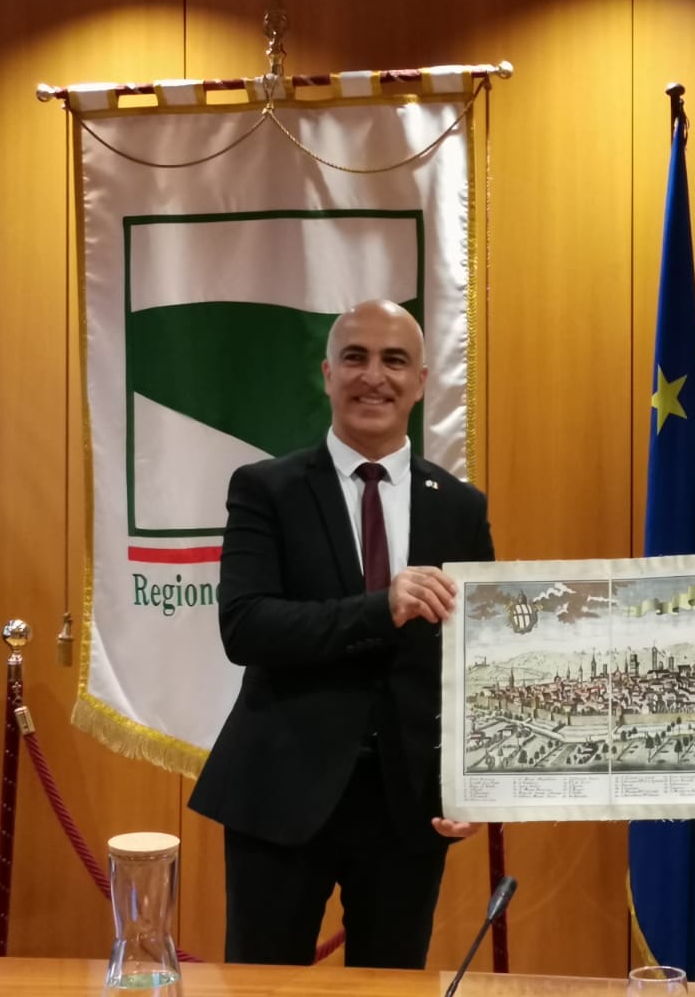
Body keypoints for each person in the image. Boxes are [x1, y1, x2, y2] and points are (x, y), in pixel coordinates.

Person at [189, 299, 492, 968]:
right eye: (355, 358)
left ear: (421, 381)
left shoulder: (462, 508)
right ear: (327, 374)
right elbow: (246, 626)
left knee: (393, 990)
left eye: (394, 361)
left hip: (408, 808)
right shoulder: (266, 489)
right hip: (280, 795)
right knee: (263, 990)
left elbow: (480, 661)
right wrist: (380, 608)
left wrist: (474, 781)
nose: (373, 376)